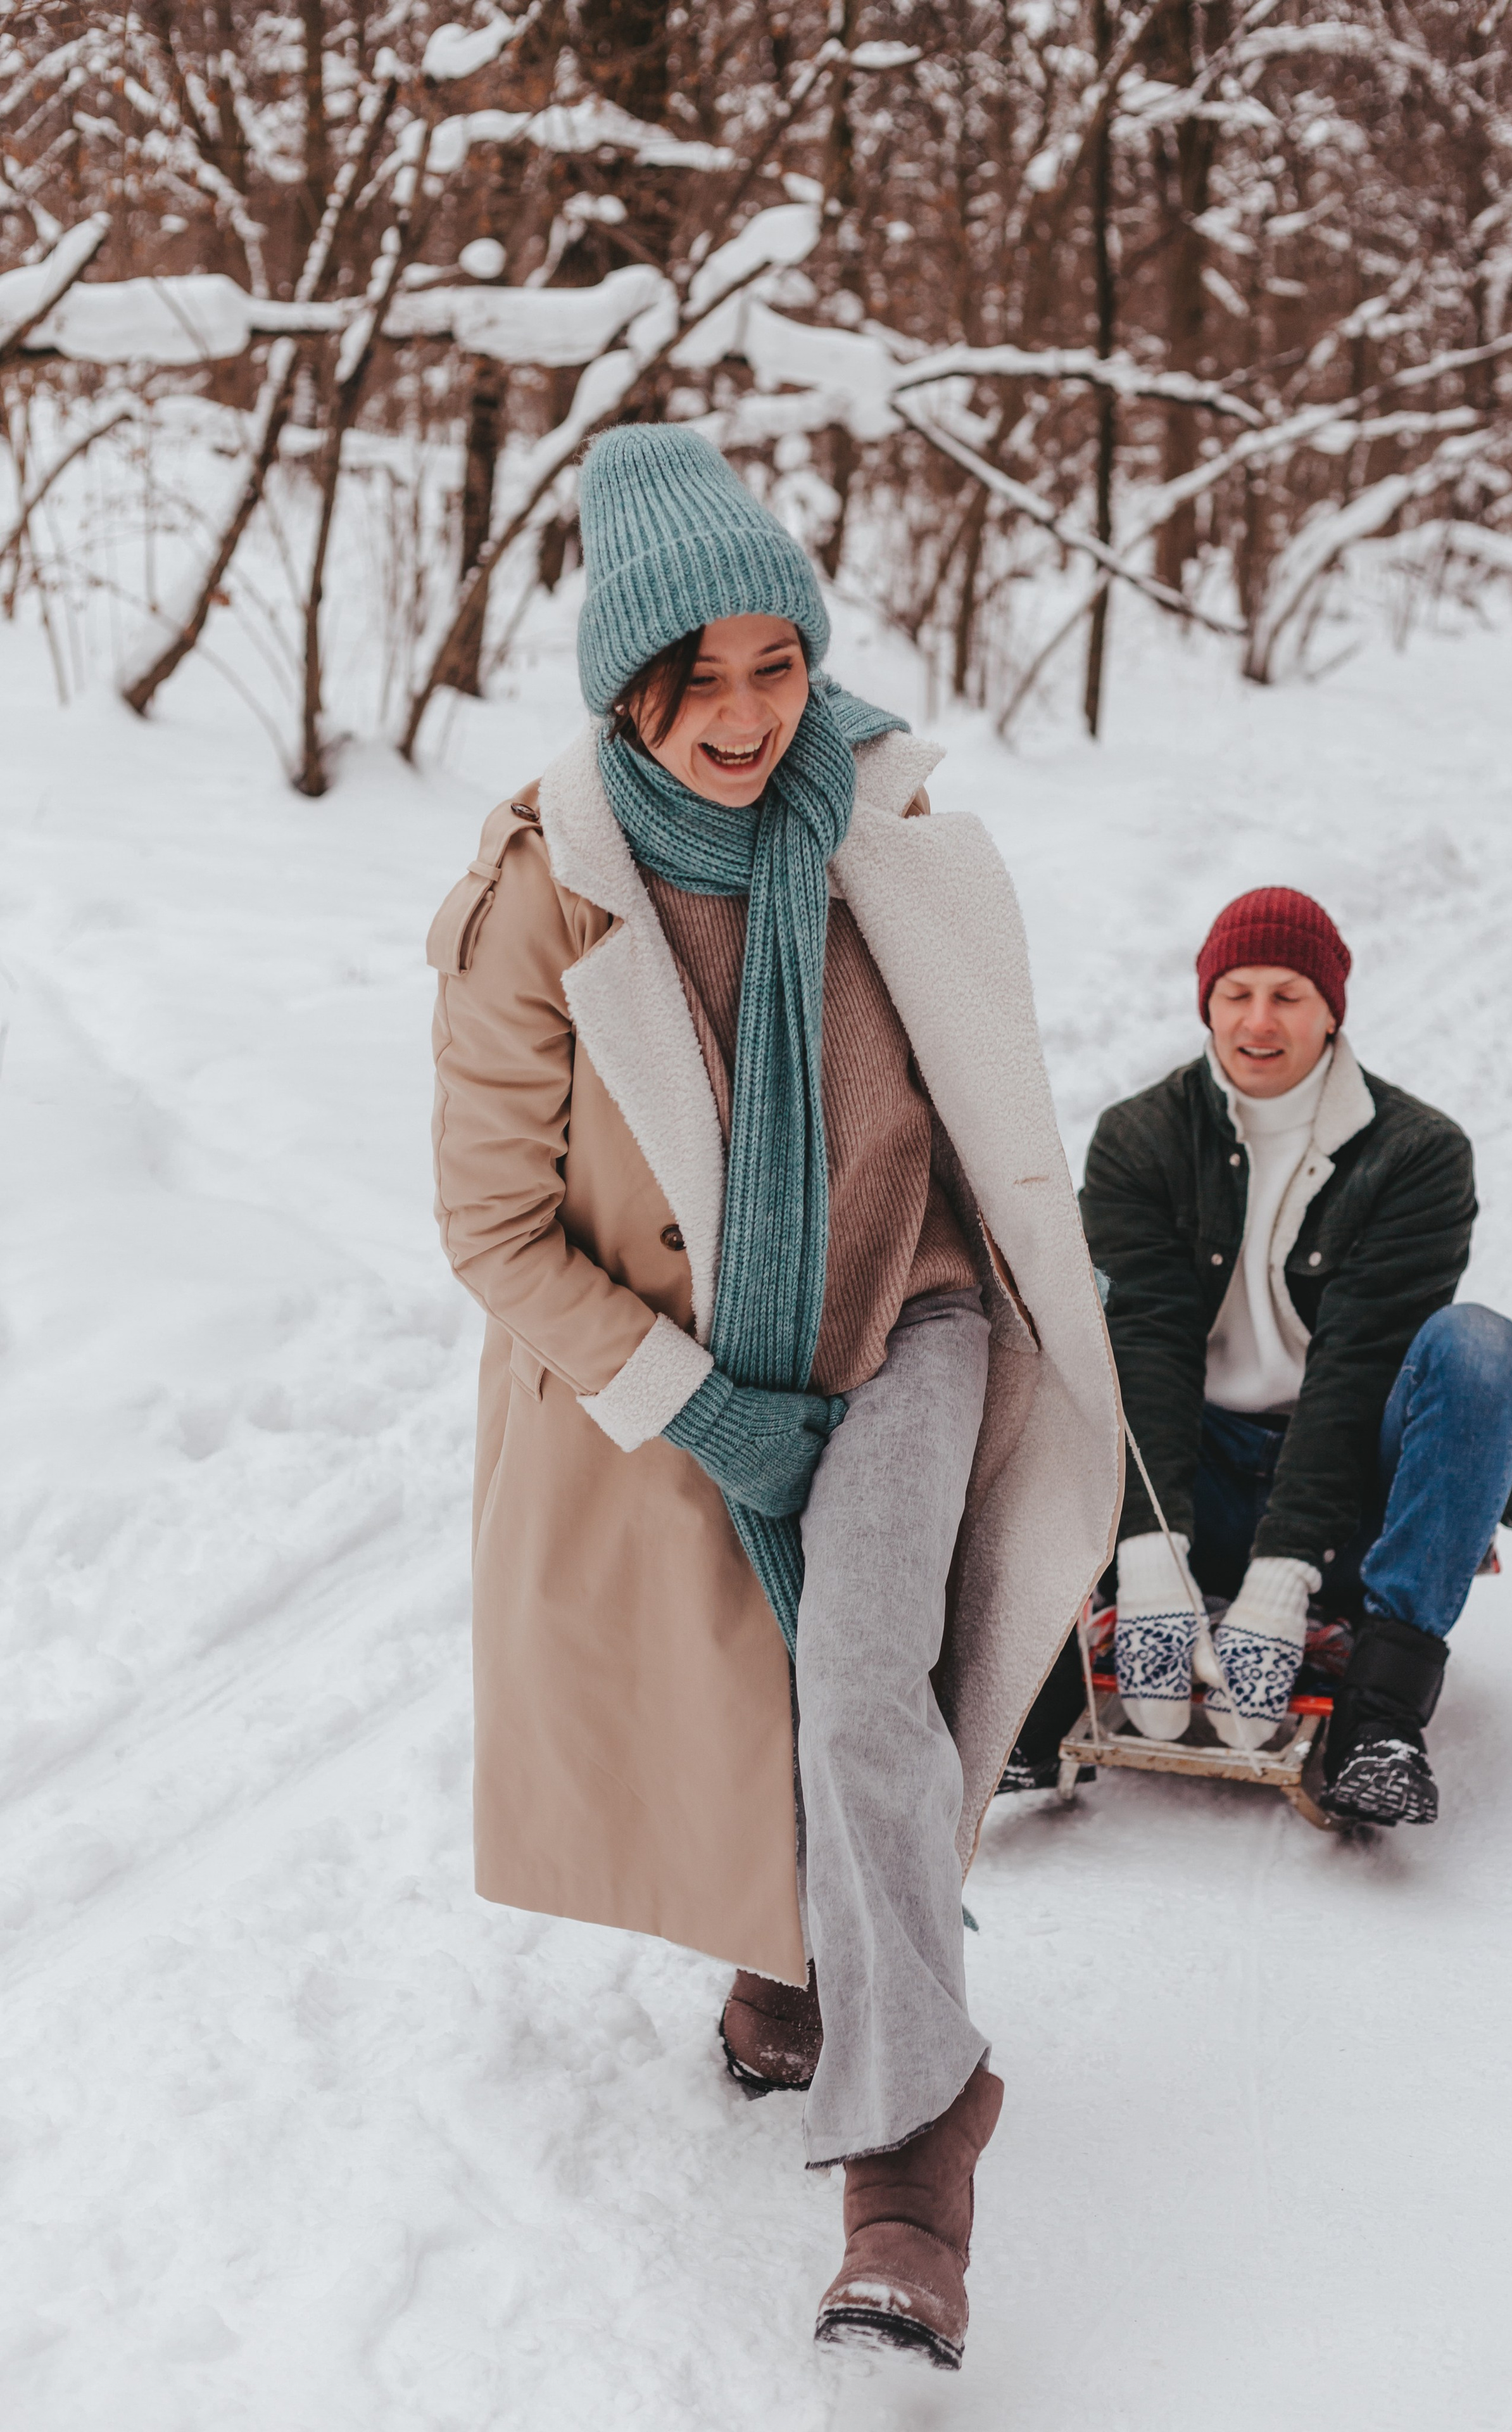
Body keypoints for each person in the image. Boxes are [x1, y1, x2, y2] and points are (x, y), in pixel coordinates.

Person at [426, 425, 1122, 2367]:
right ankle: (796, 1945)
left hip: (915, 1309)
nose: (747, 718)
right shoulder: (538, 903)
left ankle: (912, 2165)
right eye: (699, 682)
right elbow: (490, 1225)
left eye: (777, 664)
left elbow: (989, 1097)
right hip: (698, 1353)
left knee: (856, 1666)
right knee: (762, 1665)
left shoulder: (880, 818)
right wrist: (701, 1403)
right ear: (623, 695)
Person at [1071, 886, 1512, 1827]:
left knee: (1479, 1348)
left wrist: (1284, 1580)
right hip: (1190, 1469)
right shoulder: (1140, 1138)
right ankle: (1050, 1667)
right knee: (1041, 1318)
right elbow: (1147, 1346)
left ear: (1333, 1010)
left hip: (1343, 1486)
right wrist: (1152, 1555)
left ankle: (1383, 1715)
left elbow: (1360, 1366)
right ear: (1205, 1002)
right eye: (1237, 992)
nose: (1259, 1020)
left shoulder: (1417, 1154)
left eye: (1289, 994)